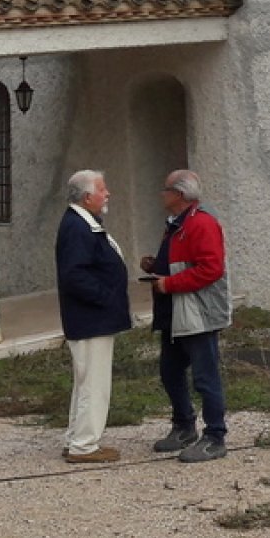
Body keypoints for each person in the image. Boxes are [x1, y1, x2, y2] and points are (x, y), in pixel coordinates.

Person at [141, 169, 232, 463]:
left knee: (205, 377)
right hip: (175, 311)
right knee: (170, 371)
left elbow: (211, 268)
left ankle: (215, 436)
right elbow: (183, 261)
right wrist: (157, 265)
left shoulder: (202, 224)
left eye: (166, 189)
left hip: (197, 312)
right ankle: (183, 425)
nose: (161, 194)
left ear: (179, 195)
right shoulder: (177, 224)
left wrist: (170, 283)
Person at [55, 170, 132, 464]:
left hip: (92, 318)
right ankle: (85, 445)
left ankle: (77, 438)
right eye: (102, 189)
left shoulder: (84, 223)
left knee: (86, 381)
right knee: (94, 384)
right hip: (90, 319)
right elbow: (74, 275)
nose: (107, 194)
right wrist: (106, 297)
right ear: (87, 197)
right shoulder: (77, 227)